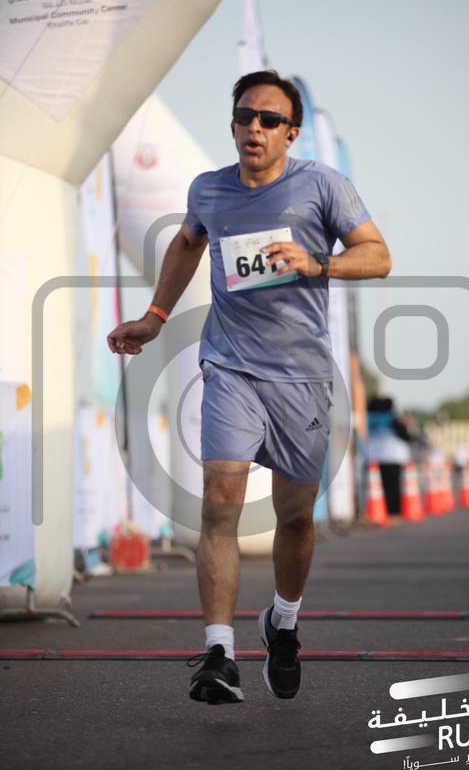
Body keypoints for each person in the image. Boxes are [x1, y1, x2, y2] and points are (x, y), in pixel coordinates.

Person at [107, 70, 391, 705]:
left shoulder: (322, 184)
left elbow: (378, 255)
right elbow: (187, 242)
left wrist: (317, 262)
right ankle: (219, 654)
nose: (254, 128)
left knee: (295, 517)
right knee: (218, 505)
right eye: (244, 116)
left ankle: (282, 624)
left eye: (268, 119)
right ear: (232, 124)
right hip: (230, 366)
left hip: (302, 378)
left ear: (291, 132)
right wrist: (155, 318)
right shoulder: (209, 189)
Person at [365, 396, 411, 515]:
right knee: (393, 487)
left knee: (378, 487)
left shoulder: (368, 417)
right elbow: (405, 435)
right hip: (392, 457)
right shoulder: (391, 418)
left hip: (373, 456)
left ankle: (380, 511)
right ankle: (393, 512)